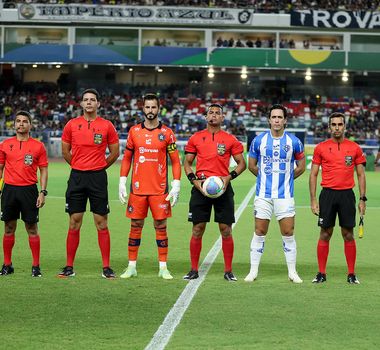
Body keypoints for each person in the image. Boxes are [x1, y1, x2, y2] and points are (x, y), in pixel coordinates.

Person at [118, 93, 181, 280]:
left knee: (161, 226)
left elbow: (176, 161)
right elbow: (127, 158)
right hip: (137, 189)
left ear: (158, 109)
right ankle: (131, 266)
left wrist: (176, 183)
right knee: (135, 225)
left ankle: (163, 267)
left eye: (154, 107)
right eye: (147, 107)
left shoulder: (168, 133)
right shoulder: (134, 132)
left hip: (159, 190)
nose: (150, 111)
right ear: (143, 108)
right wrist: (122, 180)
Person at [58, 89, 119, 279]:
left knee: (101, 223)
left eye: (93, 99)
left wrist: (99, 167)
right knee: (74, 221)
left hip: (98, 178)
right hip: (77, 178)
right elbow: (65, 151)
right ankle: (69, 266)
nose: (89, 102)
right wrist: (78, 166)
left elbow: (115, 152)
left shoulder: (107, 125)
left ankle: (106, 267)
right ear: (82, 104)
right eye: (86, 100)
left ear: (98, 104)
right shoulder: (71, 125)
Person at [183, 103, 246, 282]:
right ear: (206, 117)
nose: (214, 116)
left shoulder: (230, 139)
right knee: (197, 229)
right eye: (211, 113)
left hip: (223, 188)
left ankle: (228, 271)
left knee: (226, 230)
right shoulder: (196, 138)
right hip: (201, 188)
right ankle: (194, 269)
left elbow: (242, 163)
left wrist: (229, 177)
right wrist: (194, 181)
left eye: (218, 113)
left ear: (222, 118)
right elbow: (187, 163)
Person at [244, 104, 305, 283]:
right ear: (269, 120)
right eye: (274, 117)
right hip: (263, 194)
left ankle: (292, 272)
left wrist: (287, 179)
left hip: (284, 195)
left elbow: (301, 167)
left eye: (280, 117)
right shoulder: (258, 141)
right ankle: (253, 271)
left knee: (288, 232)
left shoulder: (294, 142)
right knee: (259, 231)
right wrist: (265, 178)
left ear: (285, 120)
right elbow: (251, 165)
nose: (277, 120)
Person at [309, 112, 366, 284]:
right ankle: (321, 273)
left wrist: (362, 199)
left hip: (347, 195)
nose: (336, 128)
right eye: (333, 124)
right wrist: (313, 200)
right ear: (329, 127)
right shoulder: (321, 148)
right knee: (325, 233)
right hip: (327, 194)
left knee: (348, 234)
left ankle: (351, 274)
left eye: (340, 124)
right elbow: (313, 175)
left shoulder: (354, 148)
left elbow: (361, 175)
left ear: (345, 126)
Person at [0, 111, 48, 277]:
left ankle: (36, 266)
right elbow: (0, 169)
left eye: (24, 121)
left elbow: (43, 170)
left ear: (30, 125)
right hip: (9, 190)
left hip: (29, 190)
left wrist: (42, 192)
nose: (21, 124)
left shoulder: (38, 146)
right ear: (14, 125)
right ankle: (7, 265)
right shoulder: (5, 144)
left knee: (32, 228)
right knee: (8, 228)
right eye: (18, 121)